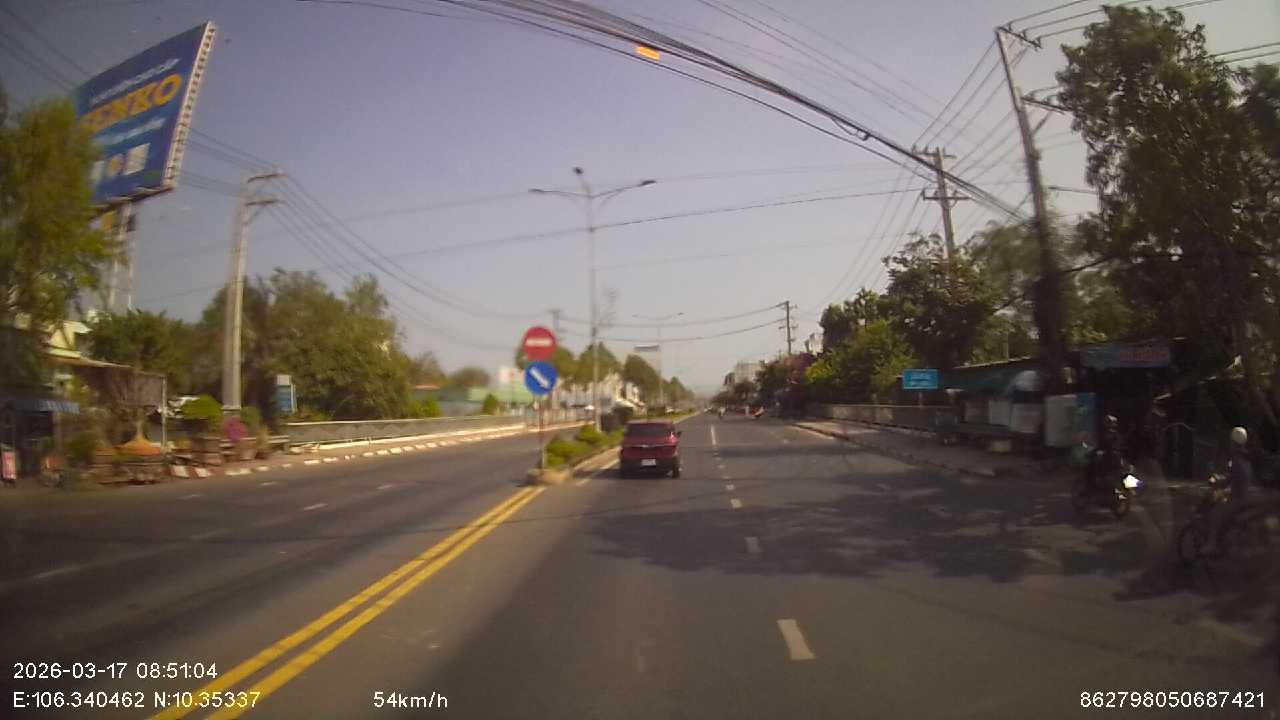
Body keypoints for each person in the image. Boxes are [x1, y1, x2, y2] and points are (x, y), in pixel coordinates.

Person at [1203, 426, 1255, 555]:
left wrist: (1217, 482)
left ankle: (1211, 544)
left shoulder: (1236, 460)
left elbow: (1228, 481)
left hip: (1237, 498)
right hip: (1243, 495)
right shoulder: (1245, 458)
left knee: (1215, 514)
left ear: (1233, 442)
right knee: (1221, 499)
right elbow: (1234, 478)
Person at [1089, 415, 1128, 492]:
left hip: (1112, 457)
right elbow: (1102, 446)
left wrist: (1097, 452)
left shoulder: (1112, 435)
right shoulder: (1108, 434)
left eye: (1108, 422)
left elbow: (1110, 446)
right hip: (1111, 456)